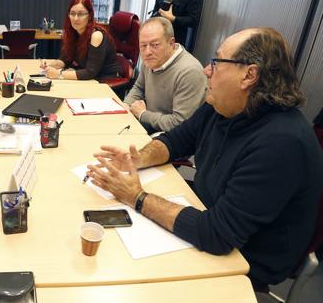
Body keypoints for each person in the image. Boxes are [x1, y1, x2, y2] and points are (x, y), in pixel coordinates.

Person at [87, 27, 323, 288]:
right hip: (204, 210)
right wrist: (137, 160)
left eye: (217, 62)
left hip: (244, 259)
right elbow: (177, 140)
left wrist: (137, 197)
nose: (206, 70)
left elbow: (217, 234)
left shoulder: (282, 143)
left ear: (249, 75)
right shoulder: (223, 105)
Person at [123, 17, 206, 134]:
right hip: (151, 124)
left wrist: (143, 114)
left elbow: (180, 123)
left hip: (174, 135)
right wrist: (126, 106)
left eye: (155, 44)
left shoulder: (189, 72)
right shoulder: (152, 59)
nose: (147, 52)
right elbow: (139, 88)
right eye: (143, 45)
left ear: (171, 43)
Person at [42, 0, 119, 80]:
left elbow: (90, 72)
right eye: (72, 13)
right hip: (89, 78)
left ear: (89, 16)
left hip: (104, 80)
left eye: (81, 14)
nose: (75, 18)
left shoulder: (96, 35)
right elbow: (66, 59)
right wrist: (50, 66)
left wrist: (59, 74)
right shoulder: (74, 32)